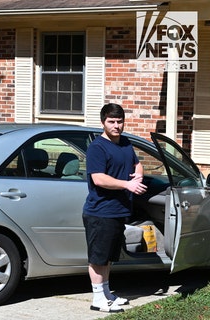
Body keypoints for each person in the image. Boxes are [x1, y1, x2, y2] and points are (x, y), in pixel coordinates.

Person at [83, 103, 147, 313]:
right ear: (103, 122)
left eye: (119, 121)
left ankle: (107, 293)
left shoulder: (125, 143)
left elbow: (136, 162)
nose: (116, 126)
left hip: (118, 210)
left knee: (109, 257)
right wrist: (127, 184)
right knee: (98, 258)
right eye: (111, 121)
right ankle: (97, 298)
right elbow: (98, 178)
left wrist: (138, 174)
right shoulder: (97, 147)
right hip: (100, 211)